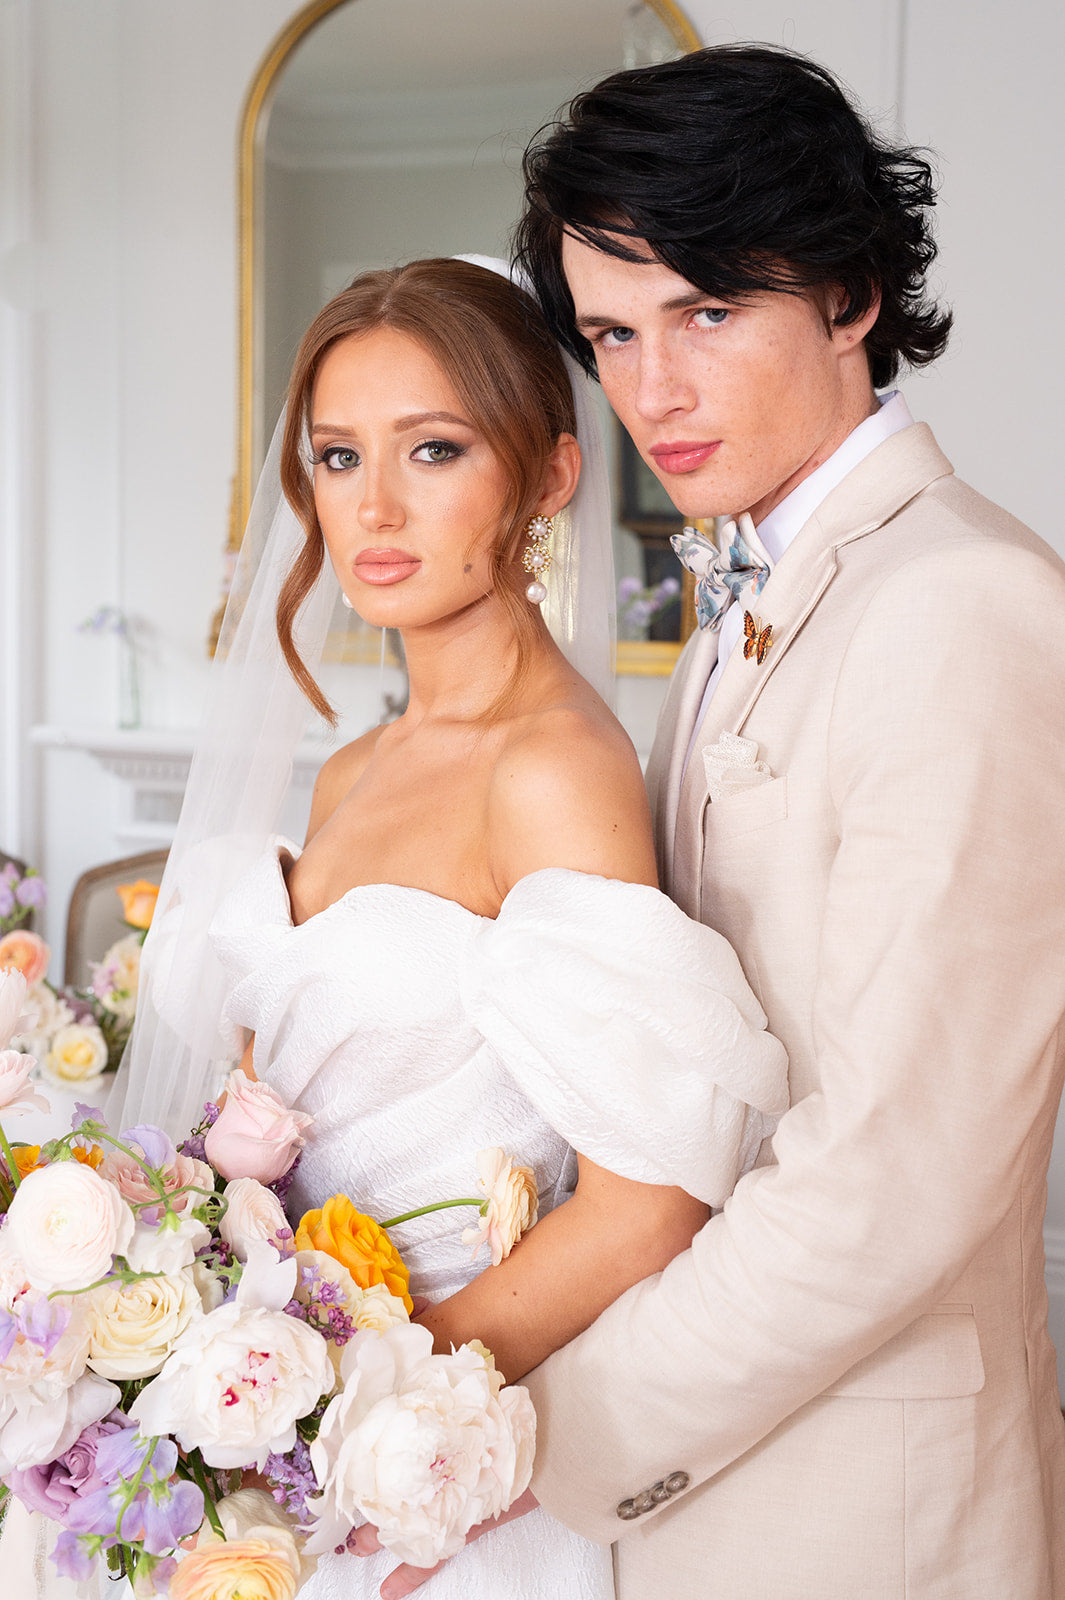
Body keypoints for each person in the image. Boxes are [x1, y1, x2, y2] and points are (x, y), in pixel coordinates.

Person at [369, 44, 1065, 1600]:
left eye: (707, 310)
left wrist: (523, 1442)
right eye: (611, 334)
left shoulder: (964, 607)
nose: (652, 391)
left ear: (849, 295)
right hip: (697, 1485)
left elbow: (893, 1177)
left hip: (855, 1514)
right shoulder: (741, 600)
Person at [93, 256, 786, 1600]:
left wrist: (354, 1408)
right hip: (282, 1426)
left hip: (423, 1456)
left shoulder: (550, 771)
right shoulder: (357, 767)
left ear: (549, 477)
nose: (375, 506)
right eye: (340, 456)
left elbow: (646, 1207)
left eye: (435, 449)